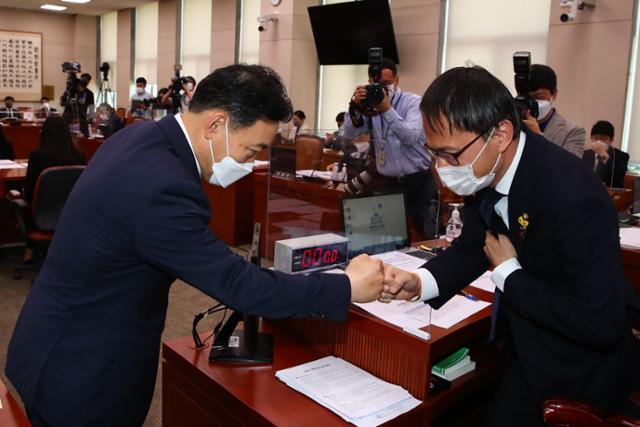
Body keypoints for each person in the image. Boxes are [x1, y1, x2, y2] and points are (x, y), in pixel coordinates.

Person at [5, 64, 386, 427]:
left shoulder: (140, 136)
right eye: (251, 151)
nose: (250, 163)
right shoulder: (163, 187)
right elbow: (240, 286)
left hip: (53, 336)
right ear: (216, 124)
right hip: (82, 371)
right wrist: (346, 285)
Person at [381, 66, 640, 426]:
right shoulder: (486, 167)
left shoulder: (574, 196)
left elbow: (600, 323)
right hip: (525, 347)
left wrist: (508, 274)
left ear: (500, 133)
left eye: (451, 155)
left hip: (577, 368)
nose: (442, 168)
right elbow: (475, 245)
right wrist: (419, 283)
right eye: (434, 154)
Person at [342, 58, 438, 239]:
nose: (383, 89)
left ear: (397, 81)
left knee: (424, 234)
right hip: (389, 183)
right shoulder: (370, 106)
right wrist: (355, 106)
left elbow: (411, 136)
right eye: (376, 84)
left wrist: (386, 109)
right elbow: (349, 134)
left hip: (418, 181)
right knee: (390, 237)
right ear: (369, 83)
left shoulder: (413, 102)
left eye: (387, 84)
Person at [22, 116, 86, 264]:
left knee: (24, 202)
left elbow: (30, 191)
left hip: (41, 215)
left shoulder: (37, 156)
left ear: (43, 133)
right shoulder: (79, 155)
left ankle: (29, 251)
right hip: (72, 214)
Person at [522, 64, 586, 158]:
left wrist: (538, 138)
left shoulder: (573, 132)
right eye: (528, 98)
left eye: (539, 97)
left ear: (554, 94)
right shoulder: (512, 124)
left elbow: (569, 168)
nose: (532, 103)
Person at [582, 120, 629, 188]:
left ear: (611, 140)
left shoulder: (621, 156)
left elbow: (616, 180)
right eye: (596, 138)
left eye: (603, 138)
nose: (599, 141)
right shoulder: (585, 154)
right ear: (591, 138)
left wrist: (603, 155)